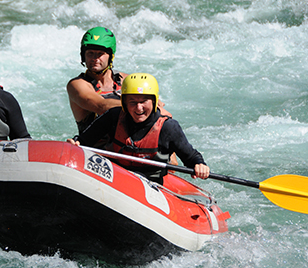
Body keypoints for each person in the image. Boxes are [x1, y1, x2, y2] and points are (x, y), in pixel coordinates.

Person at [67, 73, 209, 184]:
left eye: (143, 102)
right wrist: (76, 143)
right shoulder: (114, 116)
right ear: (124, 103)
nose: (138, 108)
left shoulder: (168, 127)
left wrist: (200, 165)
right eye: (132, 102)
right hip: (115, 175)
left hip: (151, 182)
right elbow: (84, 140)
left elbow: (192, 157)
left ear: (154, 102)